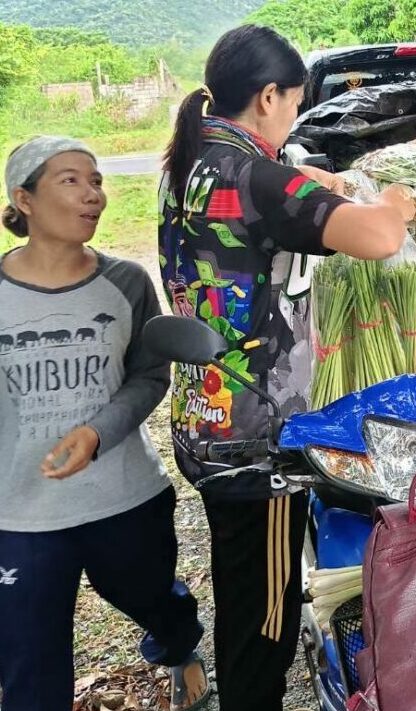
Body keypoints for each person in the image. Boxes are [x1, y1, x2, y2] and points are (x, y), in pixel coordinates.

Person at [158, 25, 411, 711]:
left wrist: (311, 181)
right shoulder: (257, 179)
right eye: (294, 103)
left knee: (243, 592)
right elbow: (379, 237)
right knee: (263, 627)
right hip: (258, 442)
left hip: (206, 416)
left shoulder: (189, 163)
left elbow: (262, 207)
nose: (293, 118)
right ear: (267, 96)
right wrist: (394, 203)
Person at [0, 137, 208, 711]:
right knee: (29, 663)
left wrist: (96, 433)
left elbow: (149, 375)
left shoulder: (126, 282)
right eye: (70, 180)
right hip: (19, 514)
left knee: (151, 597)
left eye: (96, 181)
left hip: (124, 498)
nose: (93, 194)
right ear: (24, 199)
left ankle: (178, 646)